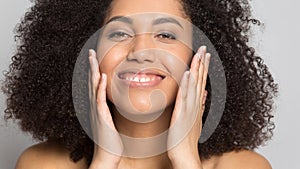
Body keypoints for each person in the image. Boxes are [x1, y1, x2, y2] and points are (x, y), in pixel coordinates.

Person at [2, 0, 278, 168]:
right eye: (120, 32)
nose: (141, 51)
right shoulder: (43, 165)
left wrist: (186, 161)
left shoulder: (243, 166)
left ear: (197, 55)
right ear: (88, 52)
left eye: (167, 34)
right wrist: (104, 162)